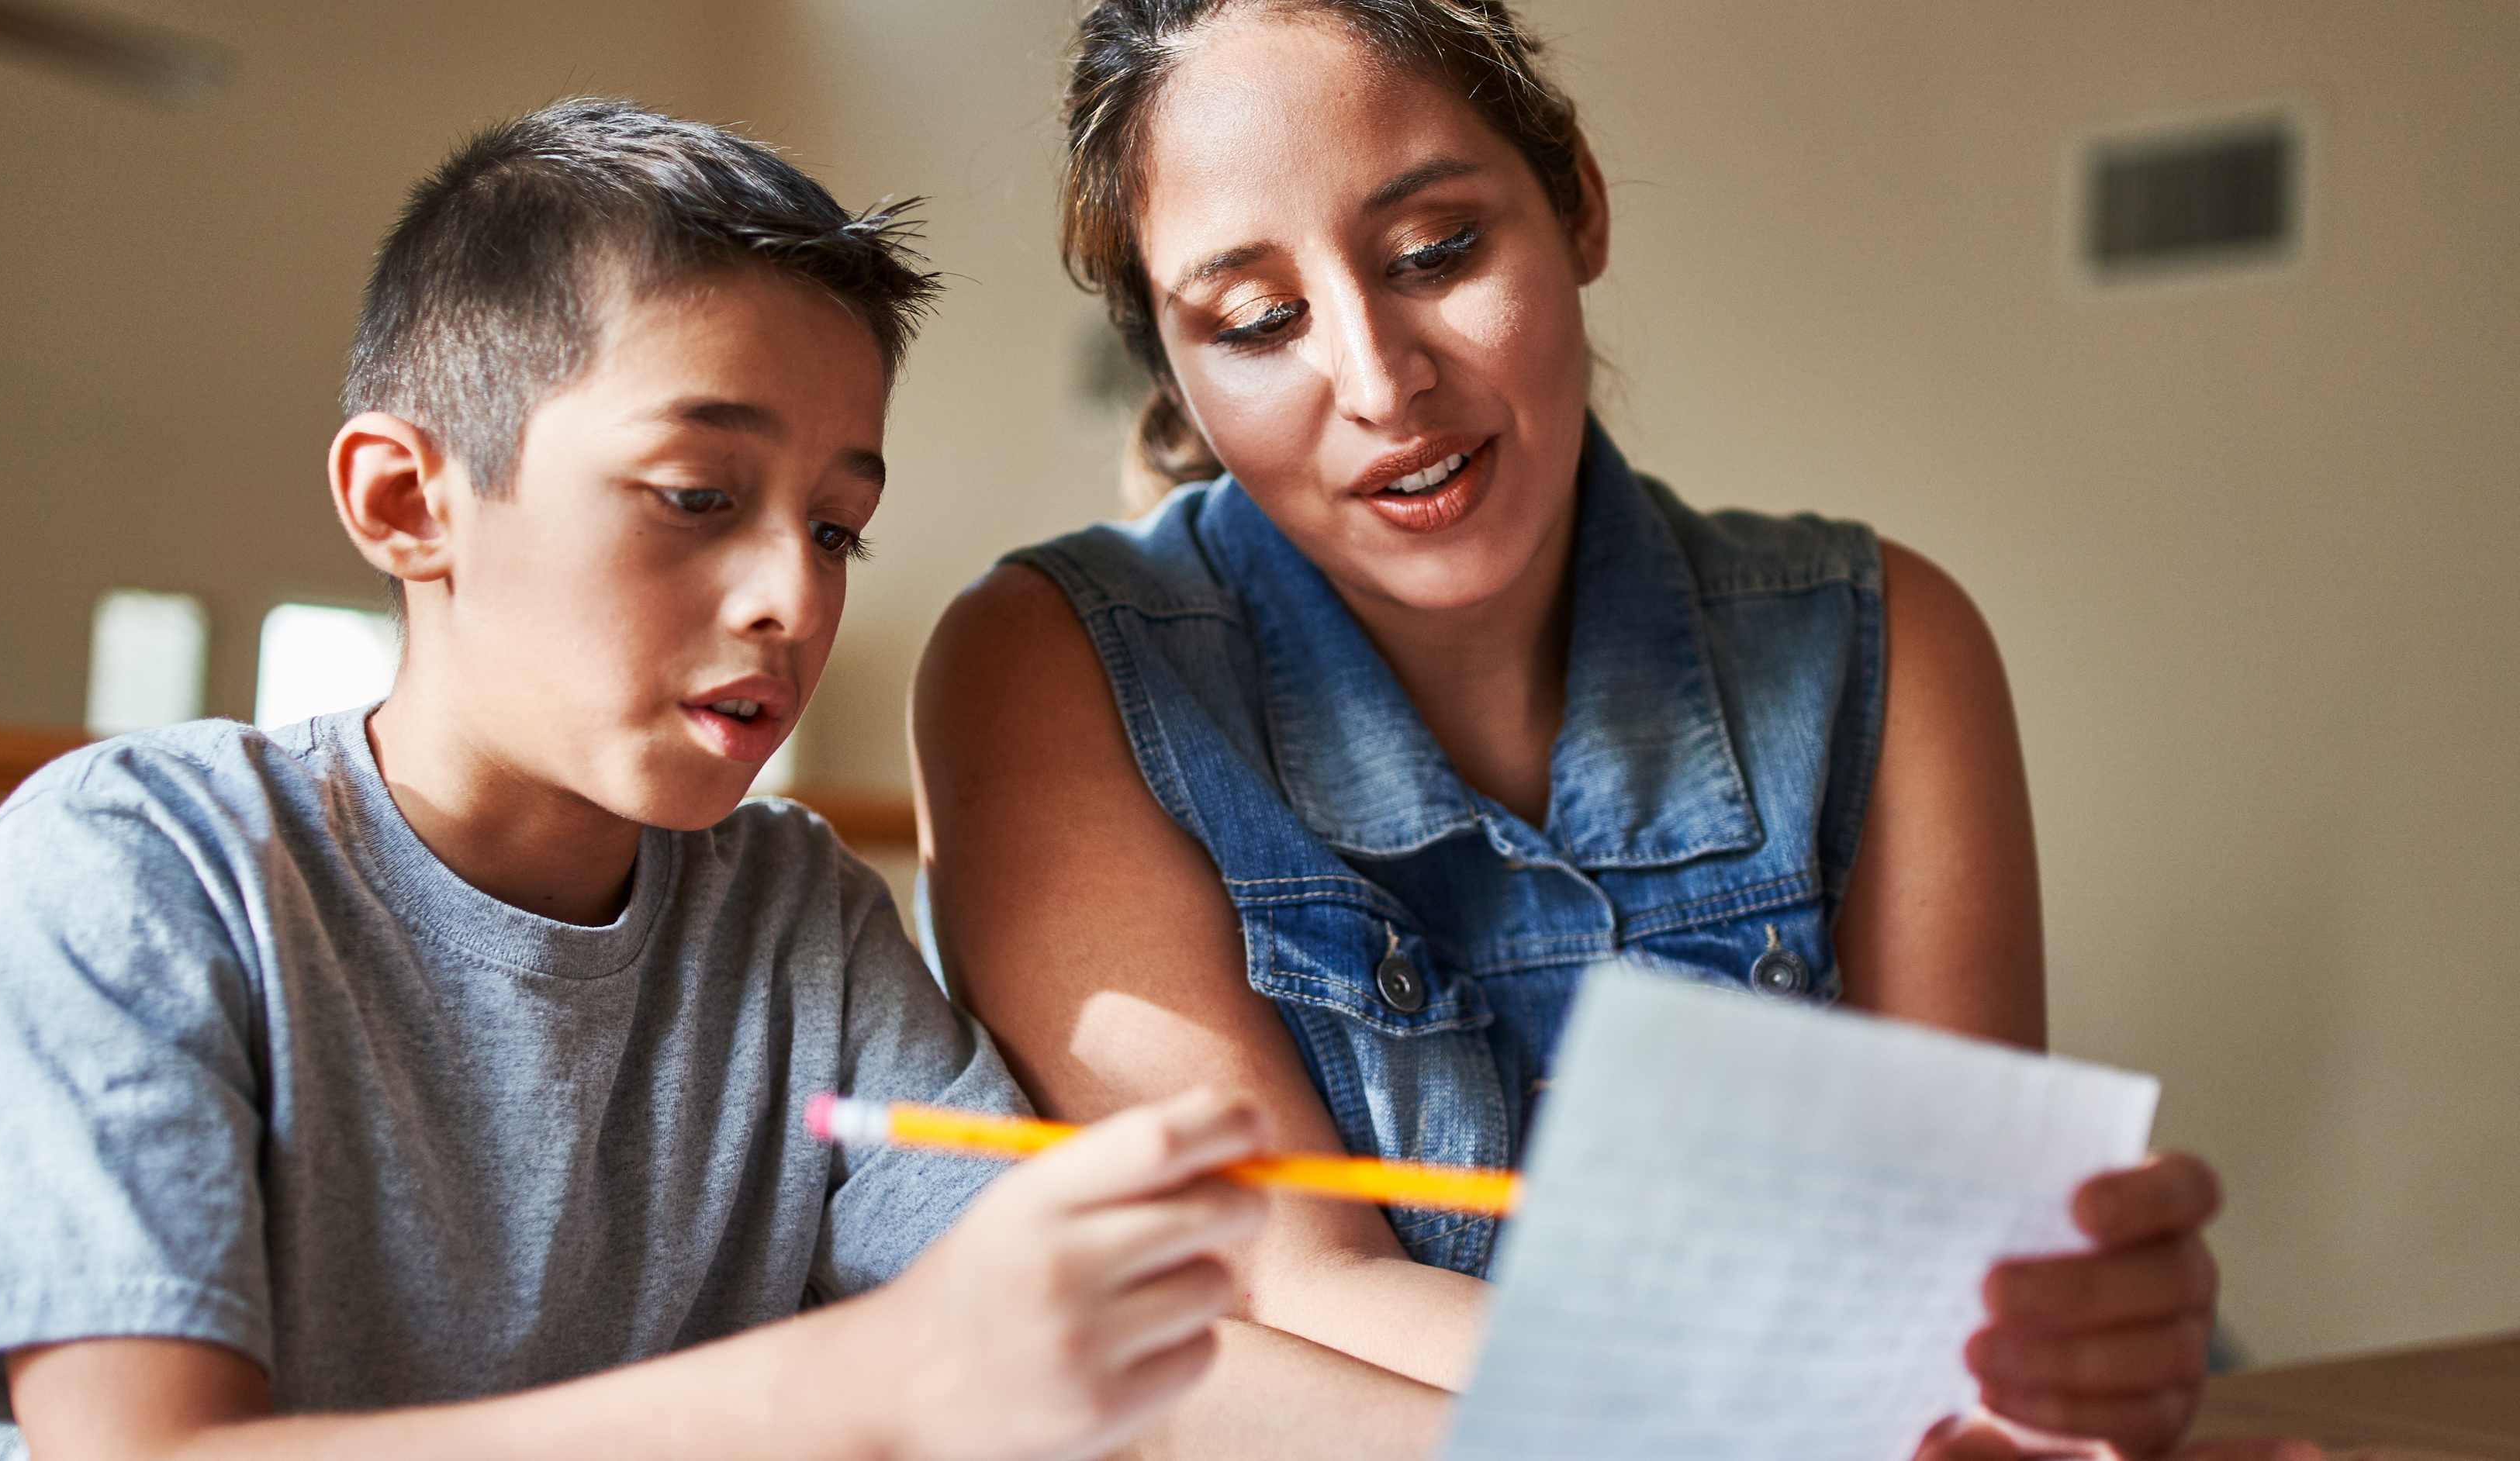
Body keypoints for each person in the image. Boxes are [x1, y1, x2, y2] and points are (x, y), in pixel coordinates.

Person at [911, 5, 2304, 1459]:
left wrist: (2065, 1358)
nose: (1382, 386)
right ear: (1178, 363)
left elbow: (1971, 1309)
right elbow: (1276, 1284)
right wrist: (1854, 1393)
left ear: (1576, 202)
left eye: (1437, 253)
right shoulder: (1050, 665)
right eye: (1259, 323)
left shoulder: (1888, 642)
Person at [0, 99, 1270, 1461]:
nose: (791, 595)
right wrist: (874, 1376)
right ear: (408, 504)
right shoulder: (135, 861)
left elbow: (1125, 1370)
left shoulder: (796, 921)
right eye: (700, 496)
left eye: (838, 529)